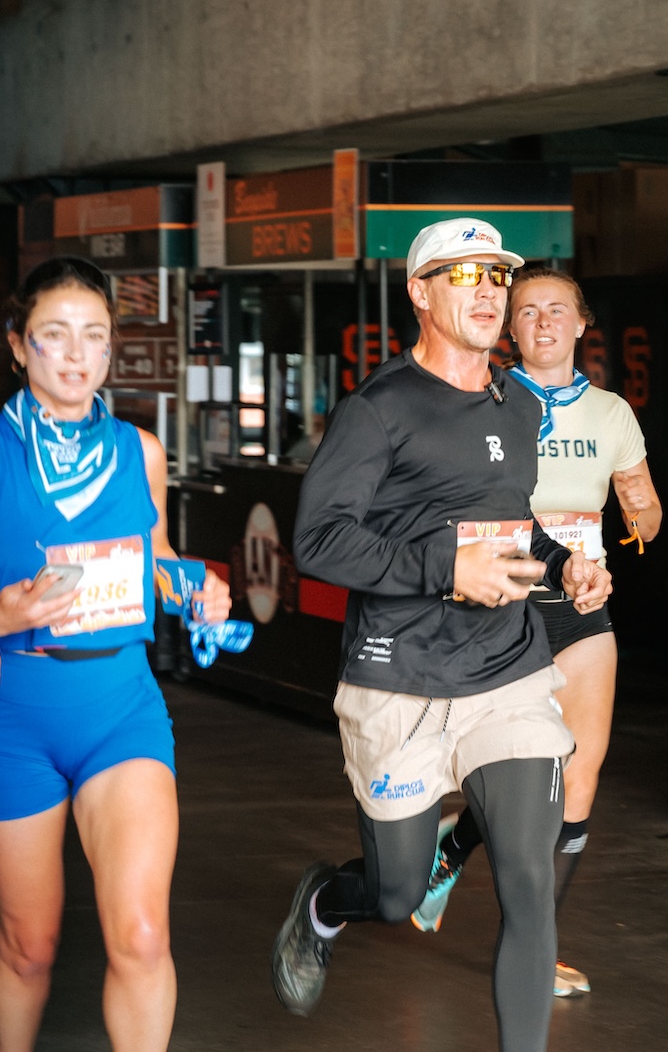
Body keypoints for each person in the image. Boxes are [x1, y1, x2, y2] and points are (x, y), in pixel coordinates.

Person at [270, 219, 612, 1052]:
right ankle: (325, 902)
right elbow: (317, 541)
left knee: (528, 883)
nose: (490, 291)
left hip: (508, 670)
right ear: (420, 294)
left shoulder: (518, 402)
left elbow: (510, 522)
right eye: (465, 277)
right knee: (394, 894)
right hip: (400, 679)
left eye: (497, 276)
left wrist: (564, 564)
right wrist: (444, 569)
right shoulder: (379, 409)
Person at [0, 256, 231, 1052]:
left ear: (112, 349)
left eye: (95, 338)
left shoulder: (140, 450)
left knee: (142, 937)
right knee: (29, 946)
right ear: (18, 345)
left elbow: (156, 562)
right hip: (12, 720)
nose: (76, 356)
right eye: (54, 337)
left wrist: (194, 590)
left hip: (121, 710)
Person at [412, 265, 662, 999]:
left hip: (580, 606)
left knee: (578, 777)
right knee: (515, 777)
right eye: (527, 311)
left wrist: (635, 522)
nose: (544, 322)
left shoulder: (613, 414)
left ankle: (534, 946)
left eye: (559, 310)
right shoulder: (482, 396)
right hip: (503, 601)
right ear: (509, 328)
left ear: (583, 325)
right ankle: (450, 848)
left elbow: (645, 508)